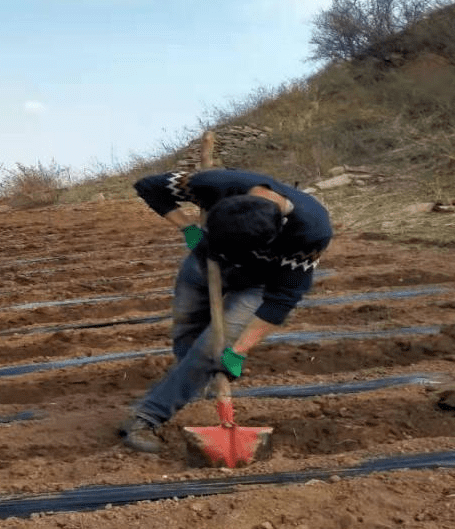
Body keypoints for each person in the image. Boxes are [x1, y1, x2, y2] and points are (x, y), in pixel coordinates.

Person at [118, 168, 333, 453]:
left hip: (256, 284)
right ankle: (190, 384)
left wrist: (239, 350)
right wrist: (187, 226)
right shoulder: (218, 184)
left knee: (212, 350)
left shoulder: (309, 232)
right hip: (203, 264)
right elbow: (148, 186)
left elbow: (282, 297)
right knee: (186, 335)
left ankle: (146, 417)